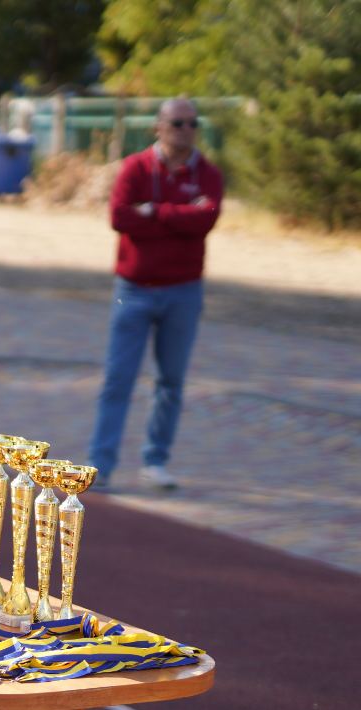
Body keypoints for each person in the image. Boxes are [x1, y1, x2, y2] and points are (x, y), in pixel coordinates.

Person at [87, 96, 223, 491]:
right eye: (177, 123)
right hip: (133, 291)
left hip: (183, 292)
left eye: (192, 123)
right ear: (158, 126)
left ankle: (155, 460)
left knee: (171, 381)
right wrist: (176, 212)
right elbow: (120, 217)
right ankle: (101, 463)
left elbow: (206, 219)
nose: (185, 130)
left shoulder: (209, 174)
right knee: (118, 378)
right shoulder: (136, 168)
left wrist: (155, 211)